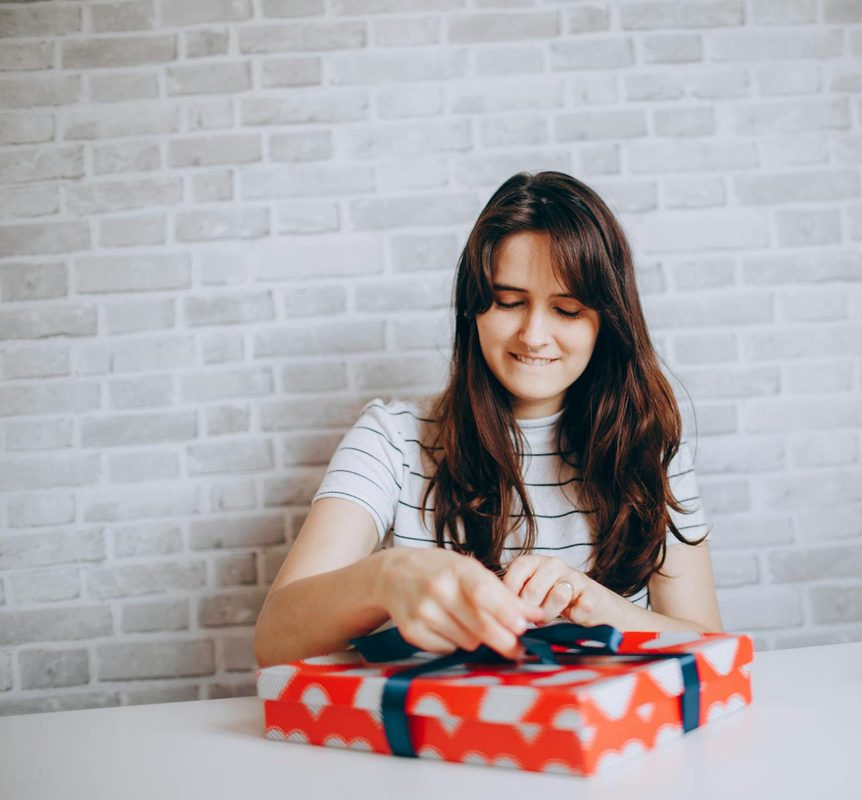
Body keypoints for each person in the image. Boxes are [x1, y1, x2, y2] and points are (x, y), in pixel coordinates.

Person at [254, 171, 722, 668]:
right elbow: (274, 642)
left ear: (607, 322)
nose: (534, 335)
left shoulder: (650, 447)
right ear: (473, 309)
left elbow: (712, 651)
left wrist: (597, 605)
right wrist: (387, 578)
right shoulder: (392, 440)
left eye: (566, 310)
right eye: (509, 302)